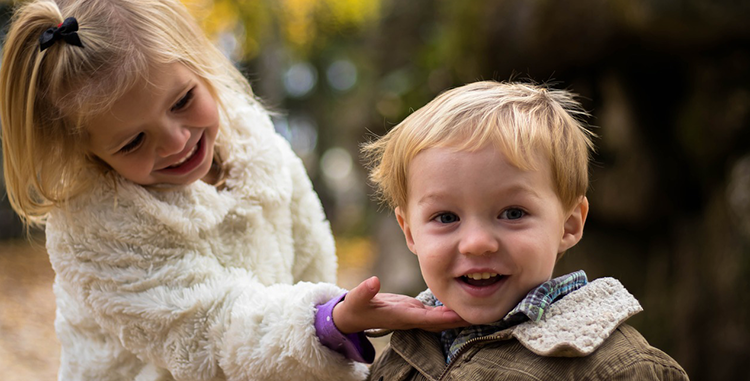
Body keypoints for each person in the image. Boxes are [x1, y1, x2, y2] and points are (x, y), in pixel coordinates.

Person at [0, 1, 465, 380]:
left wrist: (332, 335)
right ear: (90, 153)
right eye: (133, 141)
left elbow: (307, 255)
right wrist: (324, 323)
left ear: (201, 66)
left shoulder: (254, 145)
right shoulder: (96, 228)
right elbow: (207, 331)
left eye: (183, 101)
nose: (177, 141)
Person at [361, 81, 690, 380]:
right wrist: (328, 328)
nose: (477, 243)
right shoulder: (401, 354)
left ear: (569, 224)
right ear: (410, 232)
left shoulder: (617, 369)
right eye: (446, 217)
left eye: (513, 213)